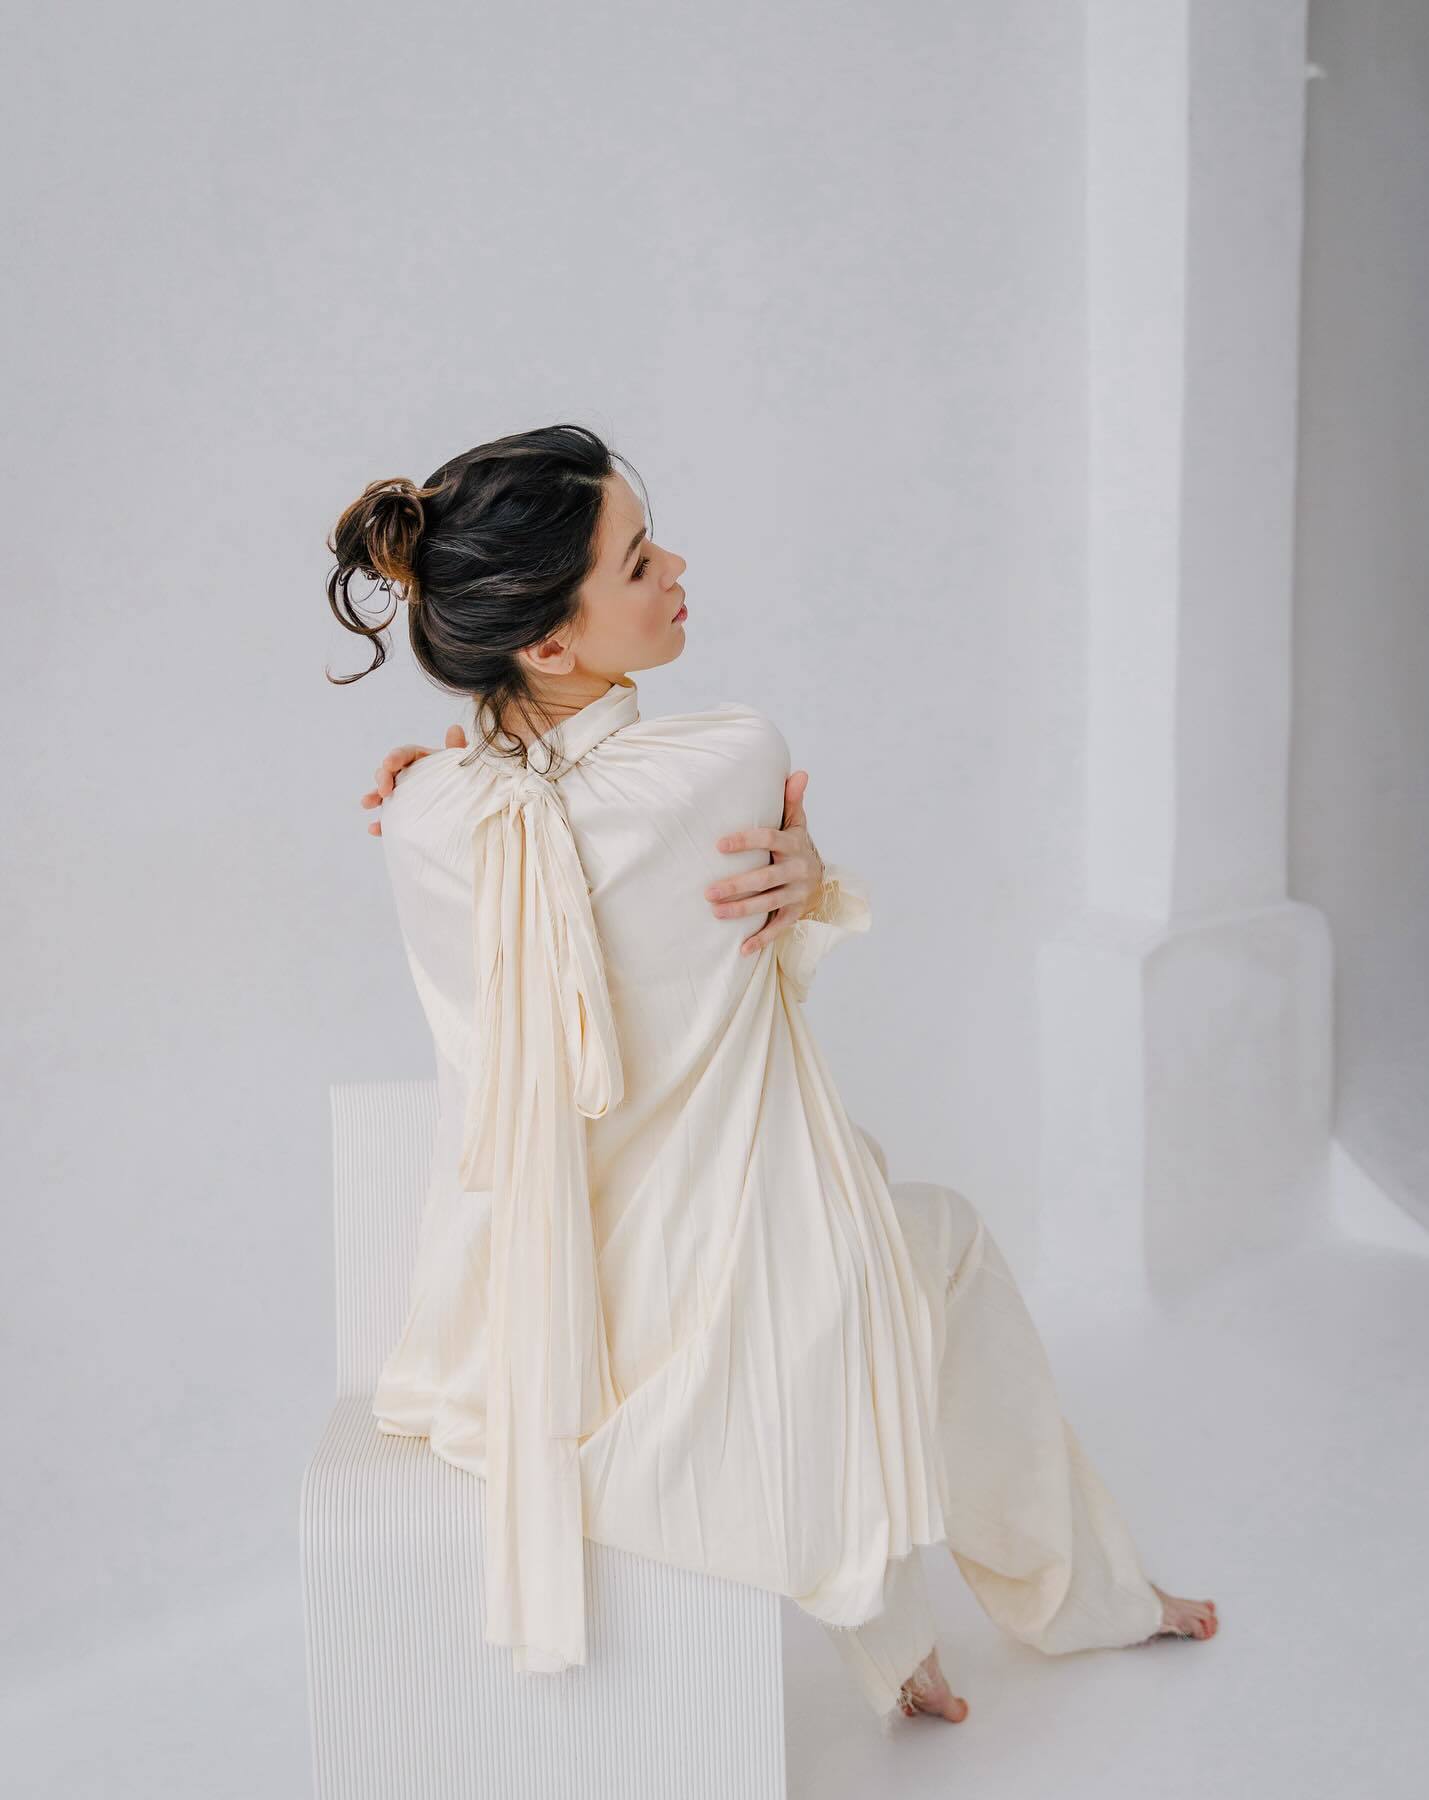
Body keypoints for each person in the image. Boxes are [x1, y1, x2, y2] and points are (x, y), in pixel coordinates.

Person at [326, 423, 1218, 1732]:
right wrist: (813, 886)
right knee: (916, 1246)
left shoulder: (420, 812)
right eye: (639, 560)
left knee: (866, 1243)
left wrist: (457, 756)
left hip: (502, 1326)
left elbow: (577, 881)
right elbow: (745, 980)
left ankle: (903, 1640)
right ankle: (1076, 1600)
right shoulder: (730, 758)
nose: (677, 567)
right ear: (552, 643)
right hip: (693, 1299)